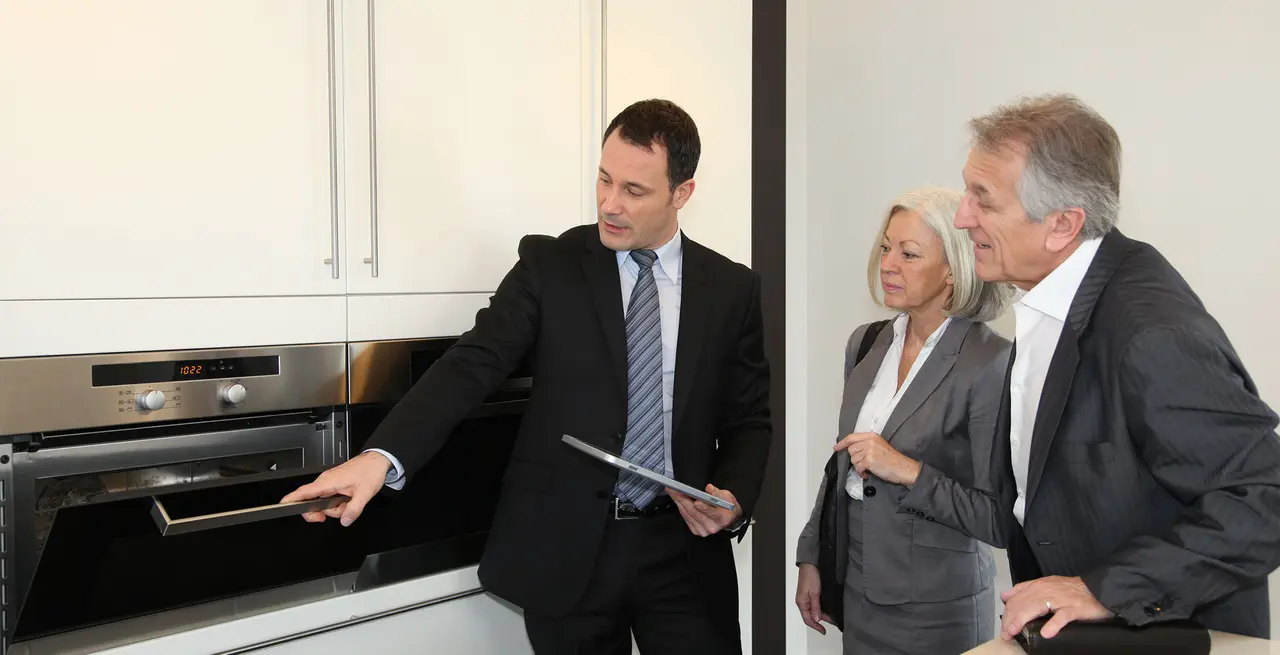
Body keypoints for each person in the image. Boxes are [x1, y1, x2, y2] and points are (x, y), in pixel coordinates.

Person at [281, 99, 771, 654]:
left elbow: (748, 418)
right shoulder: (550, 266)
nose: (609, 204)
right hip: (567, 548)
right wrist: (378, 458)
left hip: (683, 553)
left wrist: (733, 496)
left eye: (634, 191)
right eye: (604, 179)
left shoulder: (732, 289)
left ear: (682, 193)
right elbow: (472, 363)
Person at [954, 93, 1280, 641]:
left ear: (1062, 225)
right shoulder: (1058, 294)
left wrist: (1104, 588)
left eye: (982, 200)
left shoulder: (1152, 335)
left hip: (1163, 637)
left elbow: (1264, 499)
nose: (962, 217)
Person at [795, 187, 1014, 654]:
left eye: (909, 254)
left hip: (940, 610)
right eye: (885, 248)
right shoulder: (866, 343)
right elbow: (841, 463)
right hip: (858, 594)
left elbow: (997, 518)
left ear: (953, 270)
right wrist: (811, 555)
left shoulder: (990, 362)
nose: (888, 265)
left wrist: (907, 470)